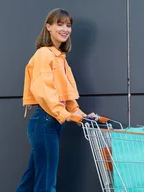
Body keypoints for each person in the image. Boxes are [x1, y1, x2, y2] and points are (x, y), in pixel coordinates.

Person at [16, 8, 96, 192]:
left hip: (50, 123)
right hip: (45, 121)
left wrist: (82, 116)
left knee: (32, 177)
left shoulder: (61, 59)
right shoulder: (44, 54)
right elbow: (45, 91)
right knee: (46, 182)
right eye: (60, 24)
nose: (65, 29)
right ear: (48, 27)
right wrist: (65, 115)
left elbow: (67, 98)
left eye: (68, 25)